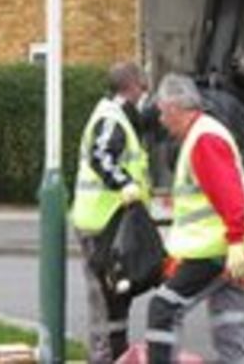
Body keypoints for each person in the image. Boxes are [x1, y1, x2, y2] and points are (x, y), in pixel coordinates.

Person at [146, 73, 244, 364]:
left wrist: (236, 240)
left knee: (163, 309)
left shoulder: (203, 140)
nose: (162, 121)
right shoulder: (206, 134)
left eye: (163, 113)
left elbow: (228, 194)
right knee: (230, 333)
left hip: (216, 250)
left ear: (176, 109)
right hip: (228, 250)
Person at [71, 61, 152, 364]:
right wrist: (125, 184)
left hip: (108, 221)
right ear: (133, 86)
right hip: (100, 222)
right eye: (143, 87)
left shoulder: (118, 117)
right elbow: (102, 156)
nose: (145, 93)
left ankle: (115, 355)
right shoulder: (111, 118)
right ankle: (104, 357)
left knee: (115, 296)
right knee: (104, 300)